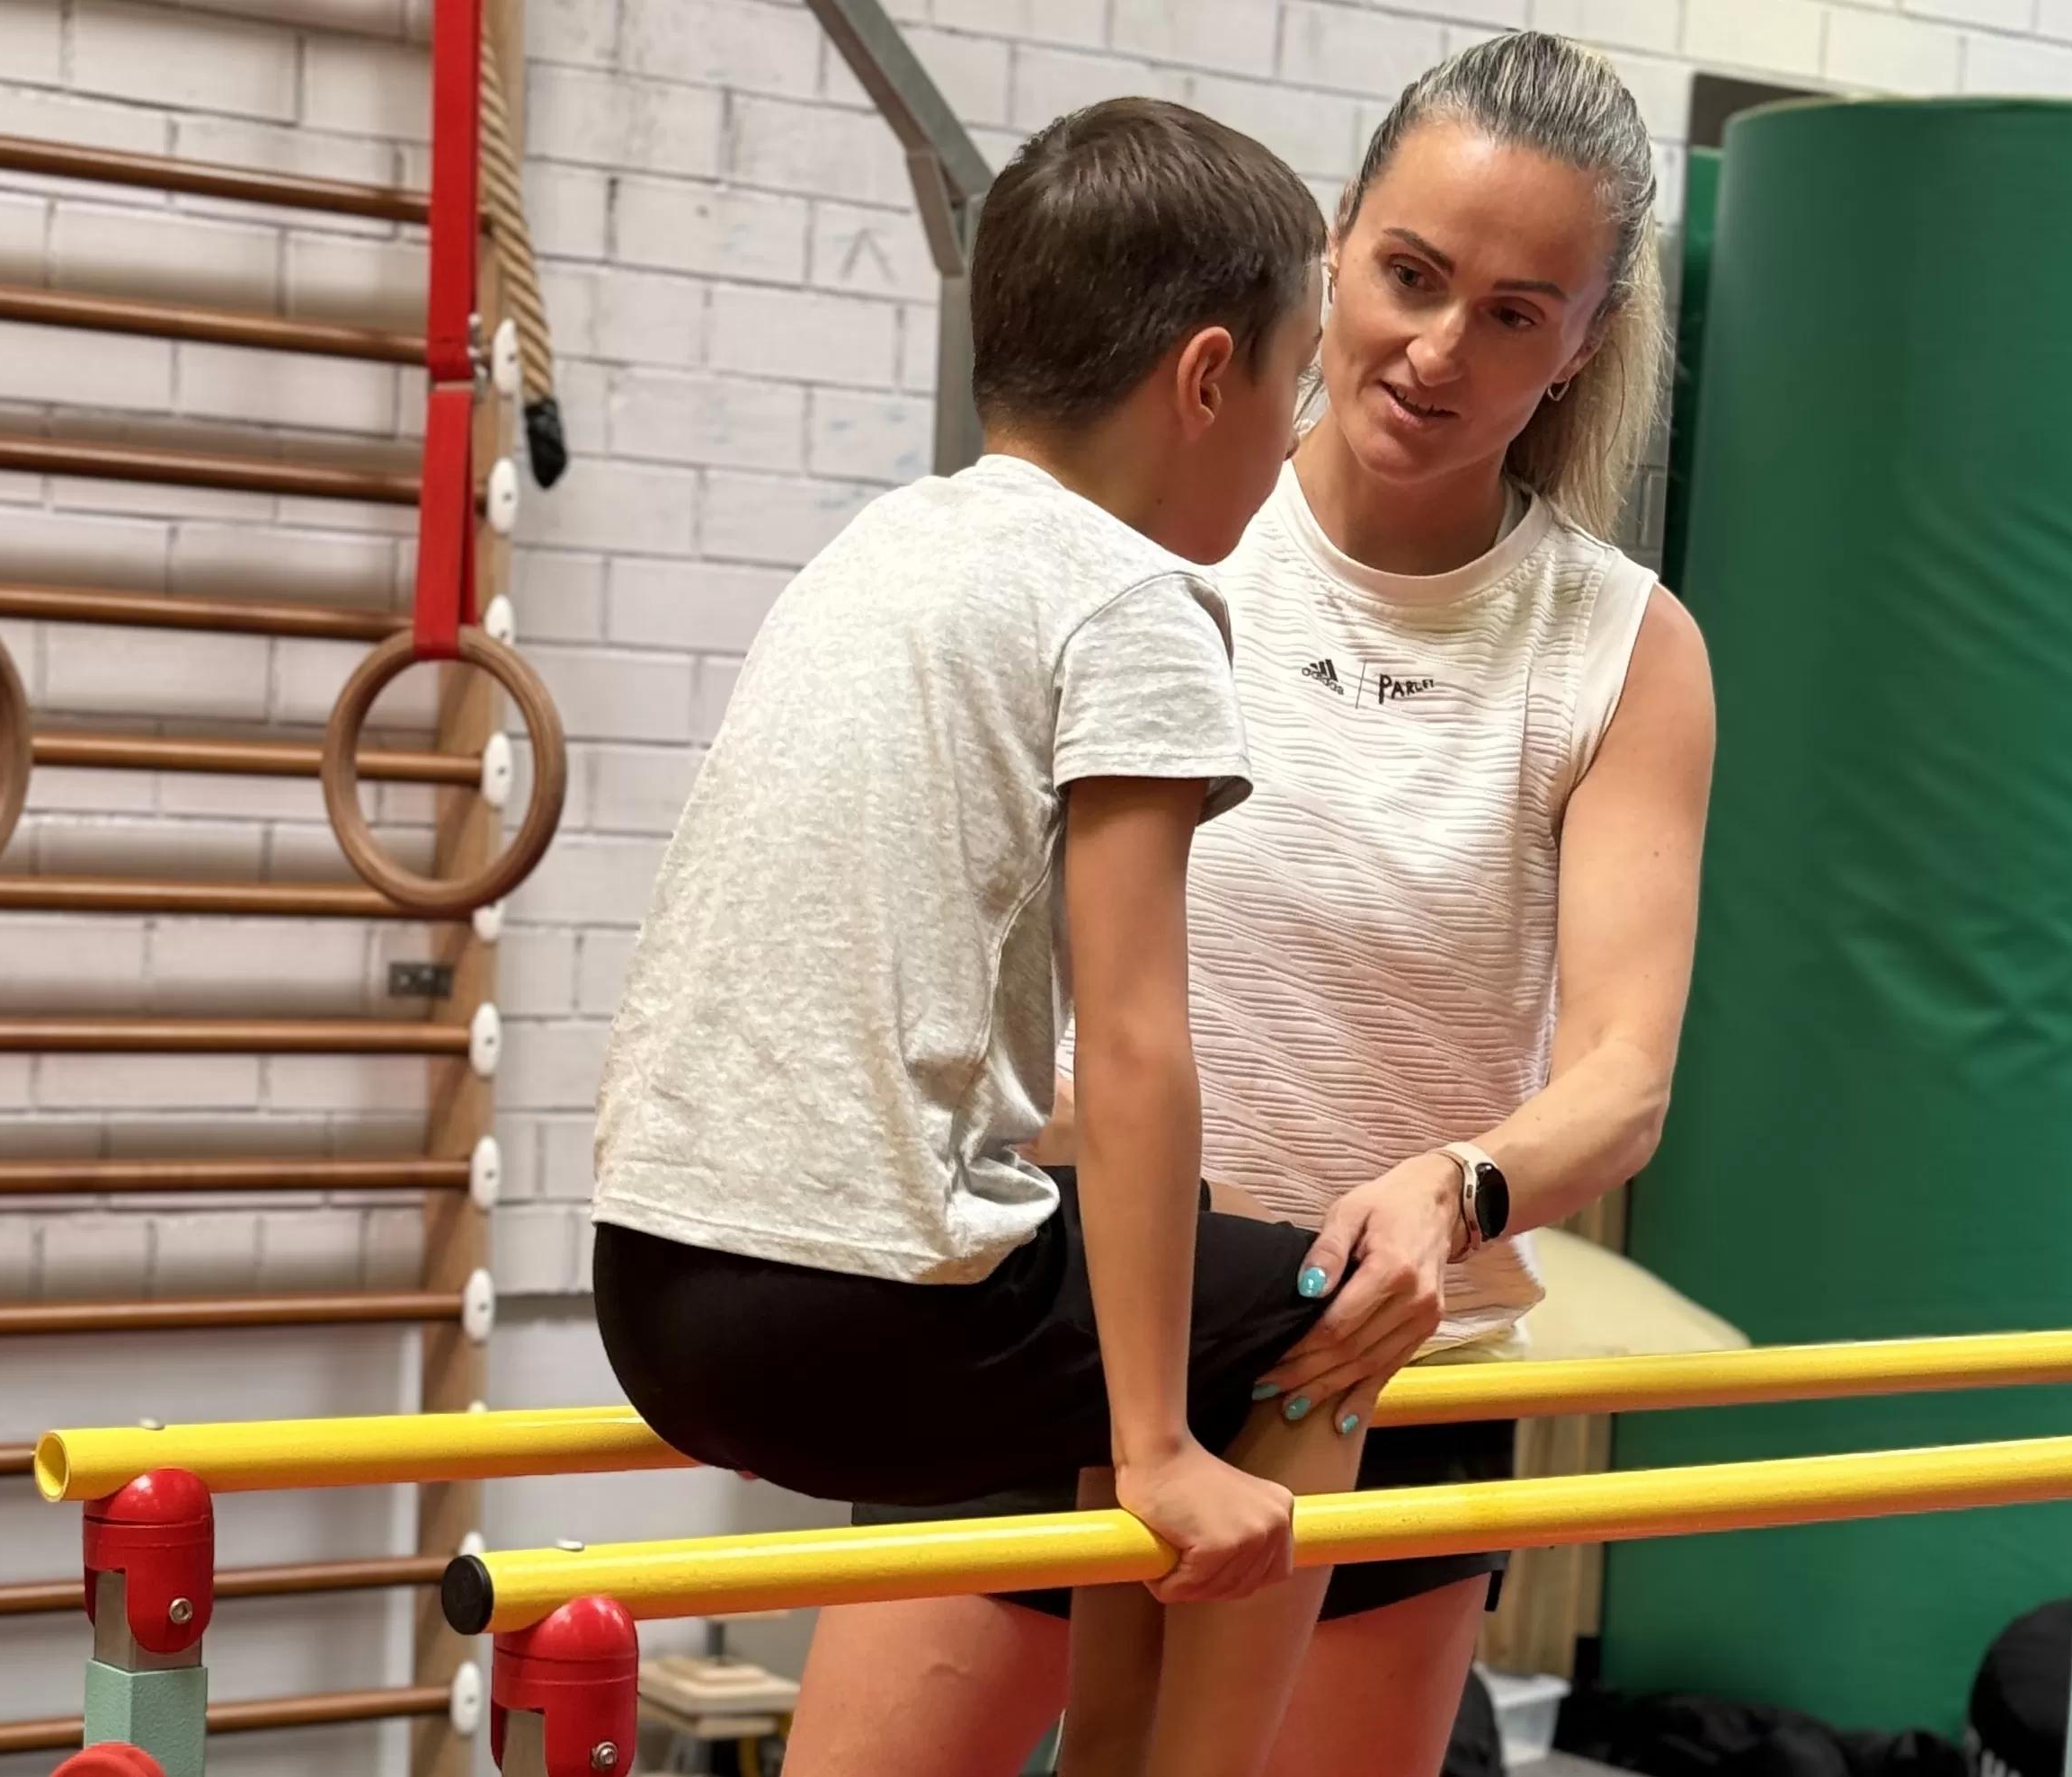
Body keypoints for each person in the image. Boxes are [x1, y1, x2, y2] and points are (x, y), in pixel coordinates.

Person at [784, 31, 1718, 1777]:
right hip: (1054, 1311)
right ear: (1338, 240)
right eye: (1412, 275)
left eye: (1516, 314)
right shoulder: (1155, 527)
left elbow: (1622, 1075)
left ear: (1585, 341)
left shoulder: (1619, 645)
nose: (1439, 350)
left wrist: (1460, 1185)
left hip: (1370, 1359)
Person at [588, 99, 1367, 1776]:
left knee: (1148, 1260)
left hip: (646, 1292)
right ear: (1208, 378)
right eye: (1300, 381)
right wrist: (1156, 1448)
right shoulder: (1132, 598)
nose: (1297, 433)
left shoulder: (877, 548)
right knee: (1328, 1293)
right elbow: (1139, 1039)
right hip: (852, 1324)